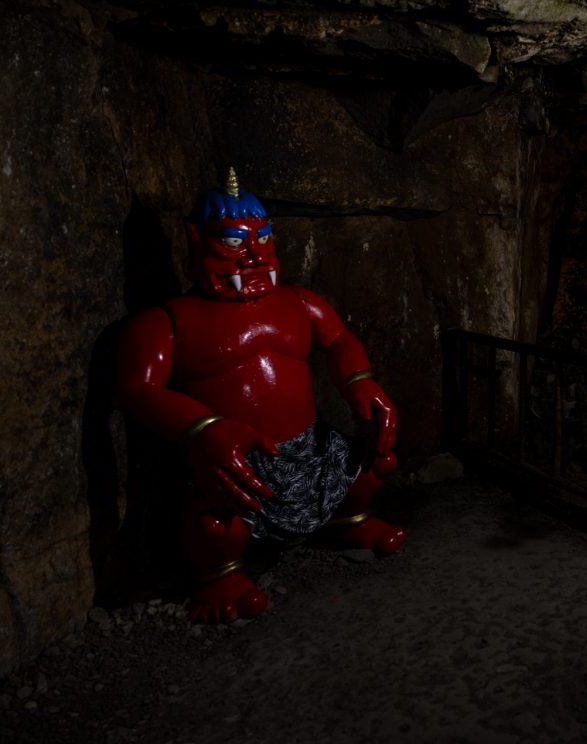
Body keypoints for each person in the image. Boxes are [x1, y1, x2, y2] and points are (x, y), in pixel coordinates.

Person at [115, 168, 404, 623]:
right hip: (236, 464)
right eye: (234, 242)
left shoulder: (298, 301)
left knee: (372, 465)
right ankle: (219, 575)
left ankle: (347, 522)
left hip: (311, 445)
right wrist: (203, 429)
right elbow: (138, 388)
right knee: (213, 522)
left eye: (263, 239)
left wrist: (360, 381)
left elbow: (339, 339)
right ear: (196, 239)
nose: (253, 255)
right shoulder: (168, 321)